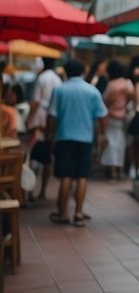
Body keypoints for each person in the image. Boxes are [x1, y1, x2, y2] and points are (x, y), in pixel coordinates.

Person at [46, 59, 107, 225]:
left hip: (64, 137)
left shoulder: (59, 90)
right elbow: (102, 116)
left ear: (65, 72)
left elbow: (52, 117)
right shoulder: (92, 91)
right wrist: (103, 136)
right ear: (82, 71)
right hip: (85, 139)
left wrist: (49, 137)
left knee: (66, 176)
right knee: (82, 176)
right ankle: (79, 212)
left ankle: (62, 213)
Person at [27, 56, 62, 201]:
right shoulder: (58, 79)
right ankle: (42, 190)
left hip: (39, 118)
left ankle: (29, 189)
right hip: (52, 120)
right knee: (47, 158)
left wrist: (29, 118)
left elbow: (36, 102)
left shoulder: (41, 78)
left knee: (33, 156)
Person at [100, 60, 133, 180]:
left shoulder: (112, 84)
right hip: (123, 117)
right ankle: (121, 171)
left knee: (111, 144)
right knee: (121, 143)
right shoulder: (127, 84)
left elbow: (105, 101)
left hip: (111, 116)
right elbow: (131, 97)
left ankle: (112, 172)